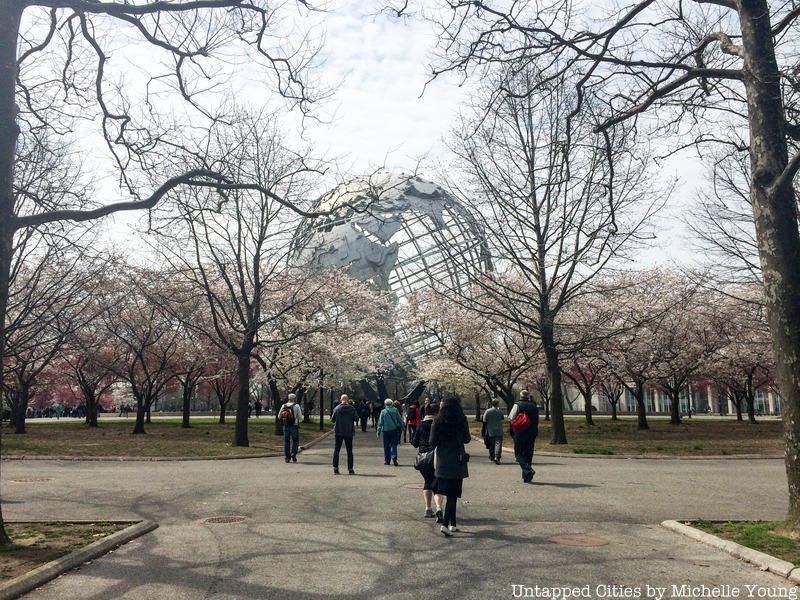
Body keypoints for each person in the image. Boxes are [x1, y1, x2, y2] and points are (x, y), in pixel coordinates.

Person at [429, 396, 471, 536]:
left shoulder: (437, 421)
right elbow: (467, 439)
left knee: (447, 492)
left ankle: (452, 523)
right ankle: (446, 524)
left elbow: (432, 442)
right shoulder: (461, 420)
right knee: (453, 494)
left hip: (442, 461)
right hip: (457, 460)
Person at [411, 401, 444, 520]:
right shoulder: (439, 425)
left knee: (427, 482)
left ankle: (428, 508)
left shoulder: (421, 425)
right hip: (436, 456)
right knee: (437, 483)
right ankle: (439, 507)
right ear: (436, 413)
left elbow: (414, 443)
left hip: (424, 458)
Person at [508, 390, 539, 483]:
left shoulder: (517, 405)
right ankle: (526, 476)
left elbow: (511, 417)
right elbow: (537, 420)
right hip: (532, 432)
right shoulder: (534, 406)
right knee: (528, 453)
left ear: (520, 396)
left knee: (518, 454)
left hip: (520, 432)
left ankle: (528, 470)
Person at [331, 394, 357, 474]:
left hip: (339, 431)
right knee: (349, 451)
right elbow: (356, 418)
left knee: (336, 450)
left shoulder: (337, 408)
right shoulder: (352, 409)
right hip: (349, 431)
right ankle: (350, 469)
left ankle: (335, 468)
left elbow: (332, 419)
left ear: (340, 400)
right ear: (348, 400)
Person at [377, 398, 403, 466]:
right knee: (393, 444)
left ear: (385, 404)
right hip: (394, 430)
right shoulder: (395, 410)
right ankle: (394, 456)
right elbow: (399, 419)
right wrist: (403, 426)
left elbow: (380, 422)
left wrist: (378, 431)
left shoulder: (383, 411)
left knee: (386, 446)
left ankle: (387, 460)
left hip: (385, 431)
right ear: (392, 404)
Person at [279, 393, 303, 463]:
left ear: (288, 398)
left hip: (286, 425)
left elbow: (279, 416)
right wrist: (298, 421)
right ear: (294, 398)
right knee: (295, 441)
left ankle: (287, 457)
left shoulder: (283, 405)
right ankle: (293, 454)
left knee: (286, 442)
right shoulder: (296, 406)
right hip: (294, 425)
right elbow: (300, 417)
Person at [482, 399, 505, 464]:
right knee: (498, 444)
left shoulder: (488, 411)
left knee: (491, 444)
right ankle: (497, 457)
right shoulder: (499, 411)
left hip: (490, 430)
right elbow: (502, 418)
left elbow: (484, 420)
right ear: (497, 404)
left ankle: (491, 457)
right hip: (499, 430)